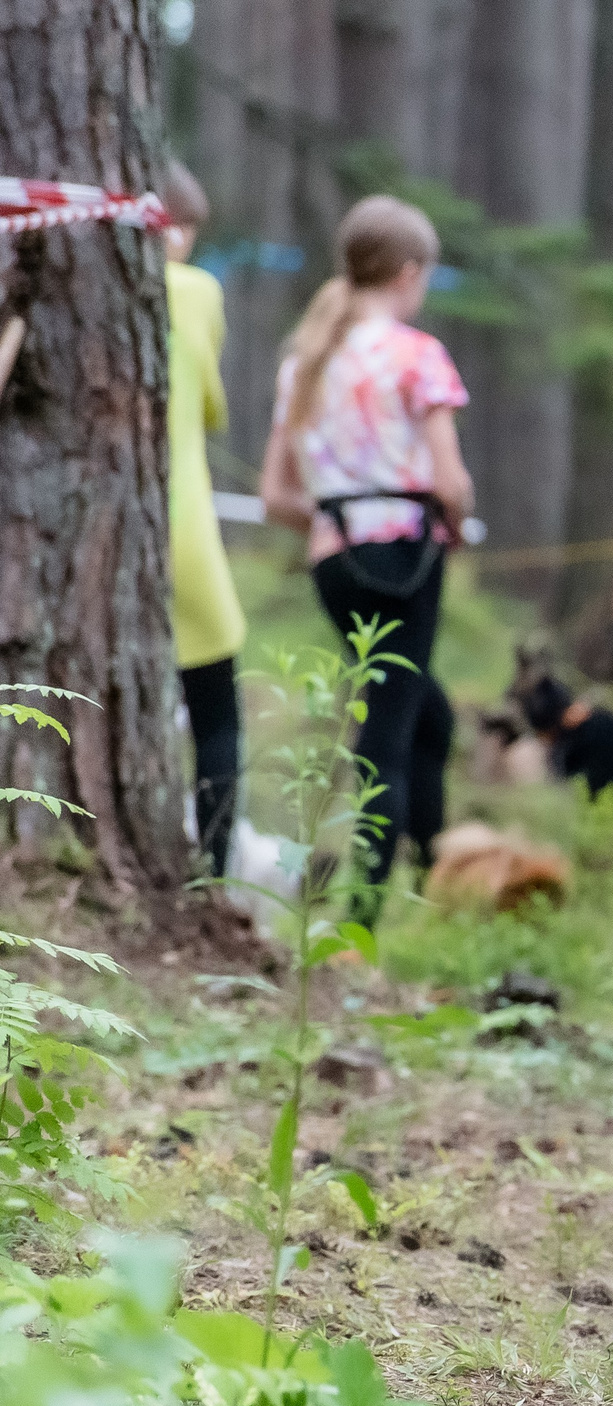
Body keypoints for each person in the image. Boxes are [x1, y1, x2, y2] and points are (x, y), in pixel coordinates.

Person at [258, 194, 473, 916]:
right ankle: (366, 913)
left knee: (424, 713)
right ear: (410, 272)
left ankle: (435, 865)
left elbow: (277, 494)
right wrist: (456, 518)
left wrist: (334, 515)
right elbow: (449, 480)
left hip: (334, 561)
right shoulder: (418, 357)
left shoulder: (306, 362)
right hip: (408, 557)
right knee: (387, 723)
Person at [161, 161, 247, 879]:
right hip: (180, 528)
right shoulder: (194, 290)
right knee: (216, 709)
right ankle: (213, 868)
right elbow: (213, 406)